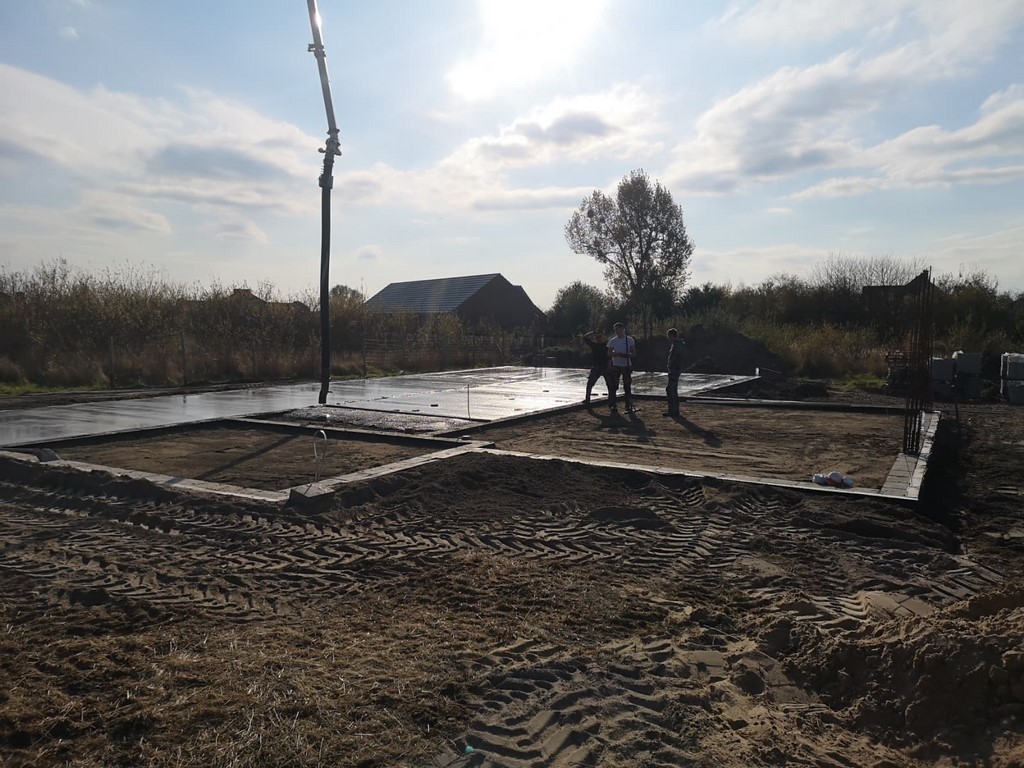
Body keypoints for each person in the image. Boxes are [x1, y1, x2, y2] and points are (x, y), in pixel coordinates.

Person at [606, 322, 636, 412]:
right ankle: (613, 404)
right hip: (616, 365)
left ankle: (628, 404)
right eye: (616, 330)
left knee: (627, 385)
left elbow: (633, 353)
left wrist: (628, 355)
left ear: (623, 329)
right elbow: (609, 353)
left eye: (619, 330)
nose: (617, 332)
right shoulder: (612, 341)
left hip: (626, 364)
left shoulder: (629, 340)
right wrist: (617, 354)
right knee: (614, 385)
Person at [581, 330, 611, 405]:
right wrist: (592, 332)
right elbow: (584, 337)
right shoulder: (594, 345)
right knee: (590, 384)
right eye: (597, 337)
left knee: (610, 385)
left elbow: (610, 357)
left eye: (600, 337)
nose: (598, 339)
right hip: (596, 367)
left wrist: (608, 366)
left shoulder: (607, 345)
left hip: (605, 367)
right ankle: (587, 399)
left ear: (603, 337)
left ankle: (611, 399)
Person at [664, 327, 685, 416]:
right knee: (672, 390)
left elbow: (676, 358)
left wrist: (672, 366)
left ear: (672, 336)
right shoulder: (676, 345)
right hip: (674, 369)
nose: (668, 338)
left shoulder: (677, 346)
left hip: (674, 370)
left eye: (668, 336)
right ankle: (674, 410)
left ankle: (673, 411)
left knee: (670, 390)